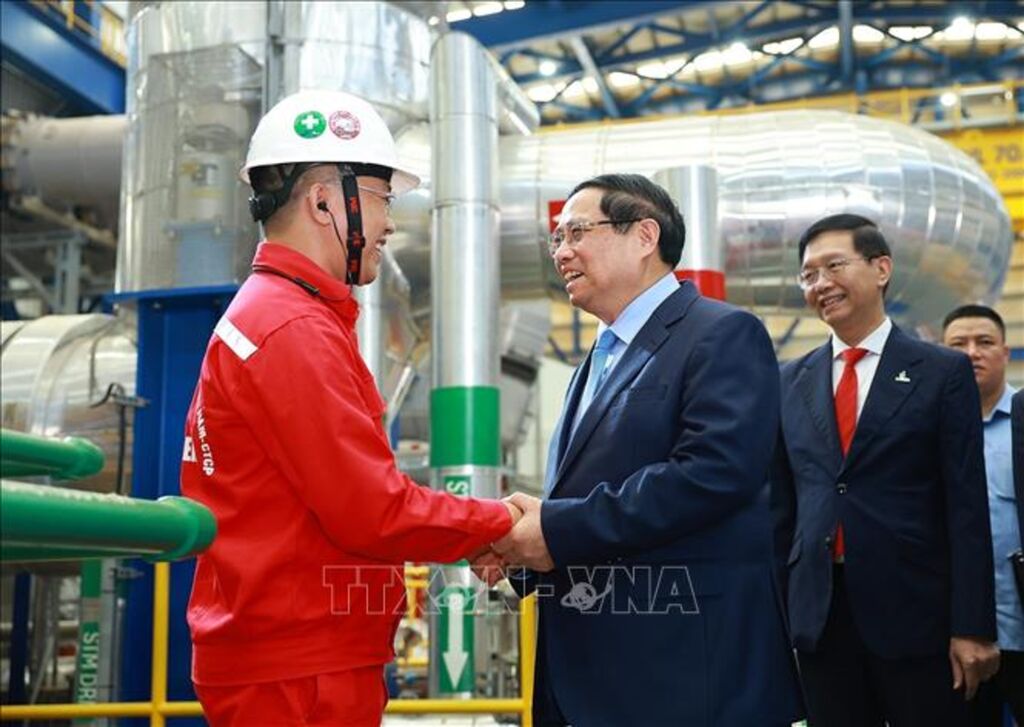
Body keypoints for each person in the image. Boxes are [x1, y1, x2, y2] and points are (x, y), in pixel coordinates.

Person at [180, 89, 519, 727]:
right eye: (383, 198)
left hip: (287, 653)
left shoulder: (277, 314)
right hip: (299, 670)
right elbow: (372, 511)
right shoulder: (292, 329)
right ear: (323, 202)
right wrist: (501, 523)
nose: (390, 223)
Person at [489, 174, 804, 726]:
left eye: (577, 232)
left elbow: (710, 475)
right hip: (592, 673)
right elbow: (590, 492)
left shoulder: (721, 334)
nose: (561, 252)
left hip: (685, 675)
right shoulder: (595, 361)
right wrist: (523, 552)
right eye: (556, 239)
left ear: (644, 236)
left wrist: (553, 529)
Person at [770, 213, 999, 727]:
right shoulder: (788, 380)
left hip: (917, 616)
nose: (820, 284)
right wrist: (782, 620)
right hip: (820, 619)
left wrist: (973, 626)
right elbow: (781, 511)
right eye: (808, 274)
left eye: (834, 266)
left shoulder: (941, 372)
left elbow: (966, 505)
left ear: (881, 269)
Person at [942, 304, 1024, 725]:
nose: (971, 352)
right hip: (958, 637)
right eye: (958, 344)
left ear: (1006, 353)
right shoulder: (928, 433)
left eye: (984, 342)